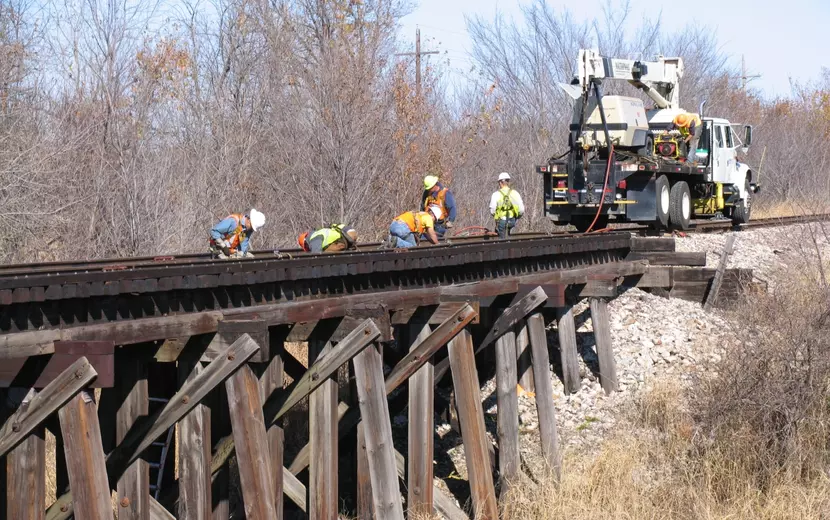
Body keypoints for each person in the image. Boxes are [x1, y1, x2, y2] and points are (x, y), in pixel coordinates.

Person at [489, 172, 525, 238]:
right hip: (512, 220)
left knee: (502, 239)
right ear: (508, 182)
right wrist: (516, 217)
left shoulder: (496, 194)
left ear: (500, 182)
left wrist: (496, 217)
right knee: (509, 236)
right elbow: (521, 210)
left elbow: (492, 210)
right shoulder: (515, 193)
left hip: (502, 221)